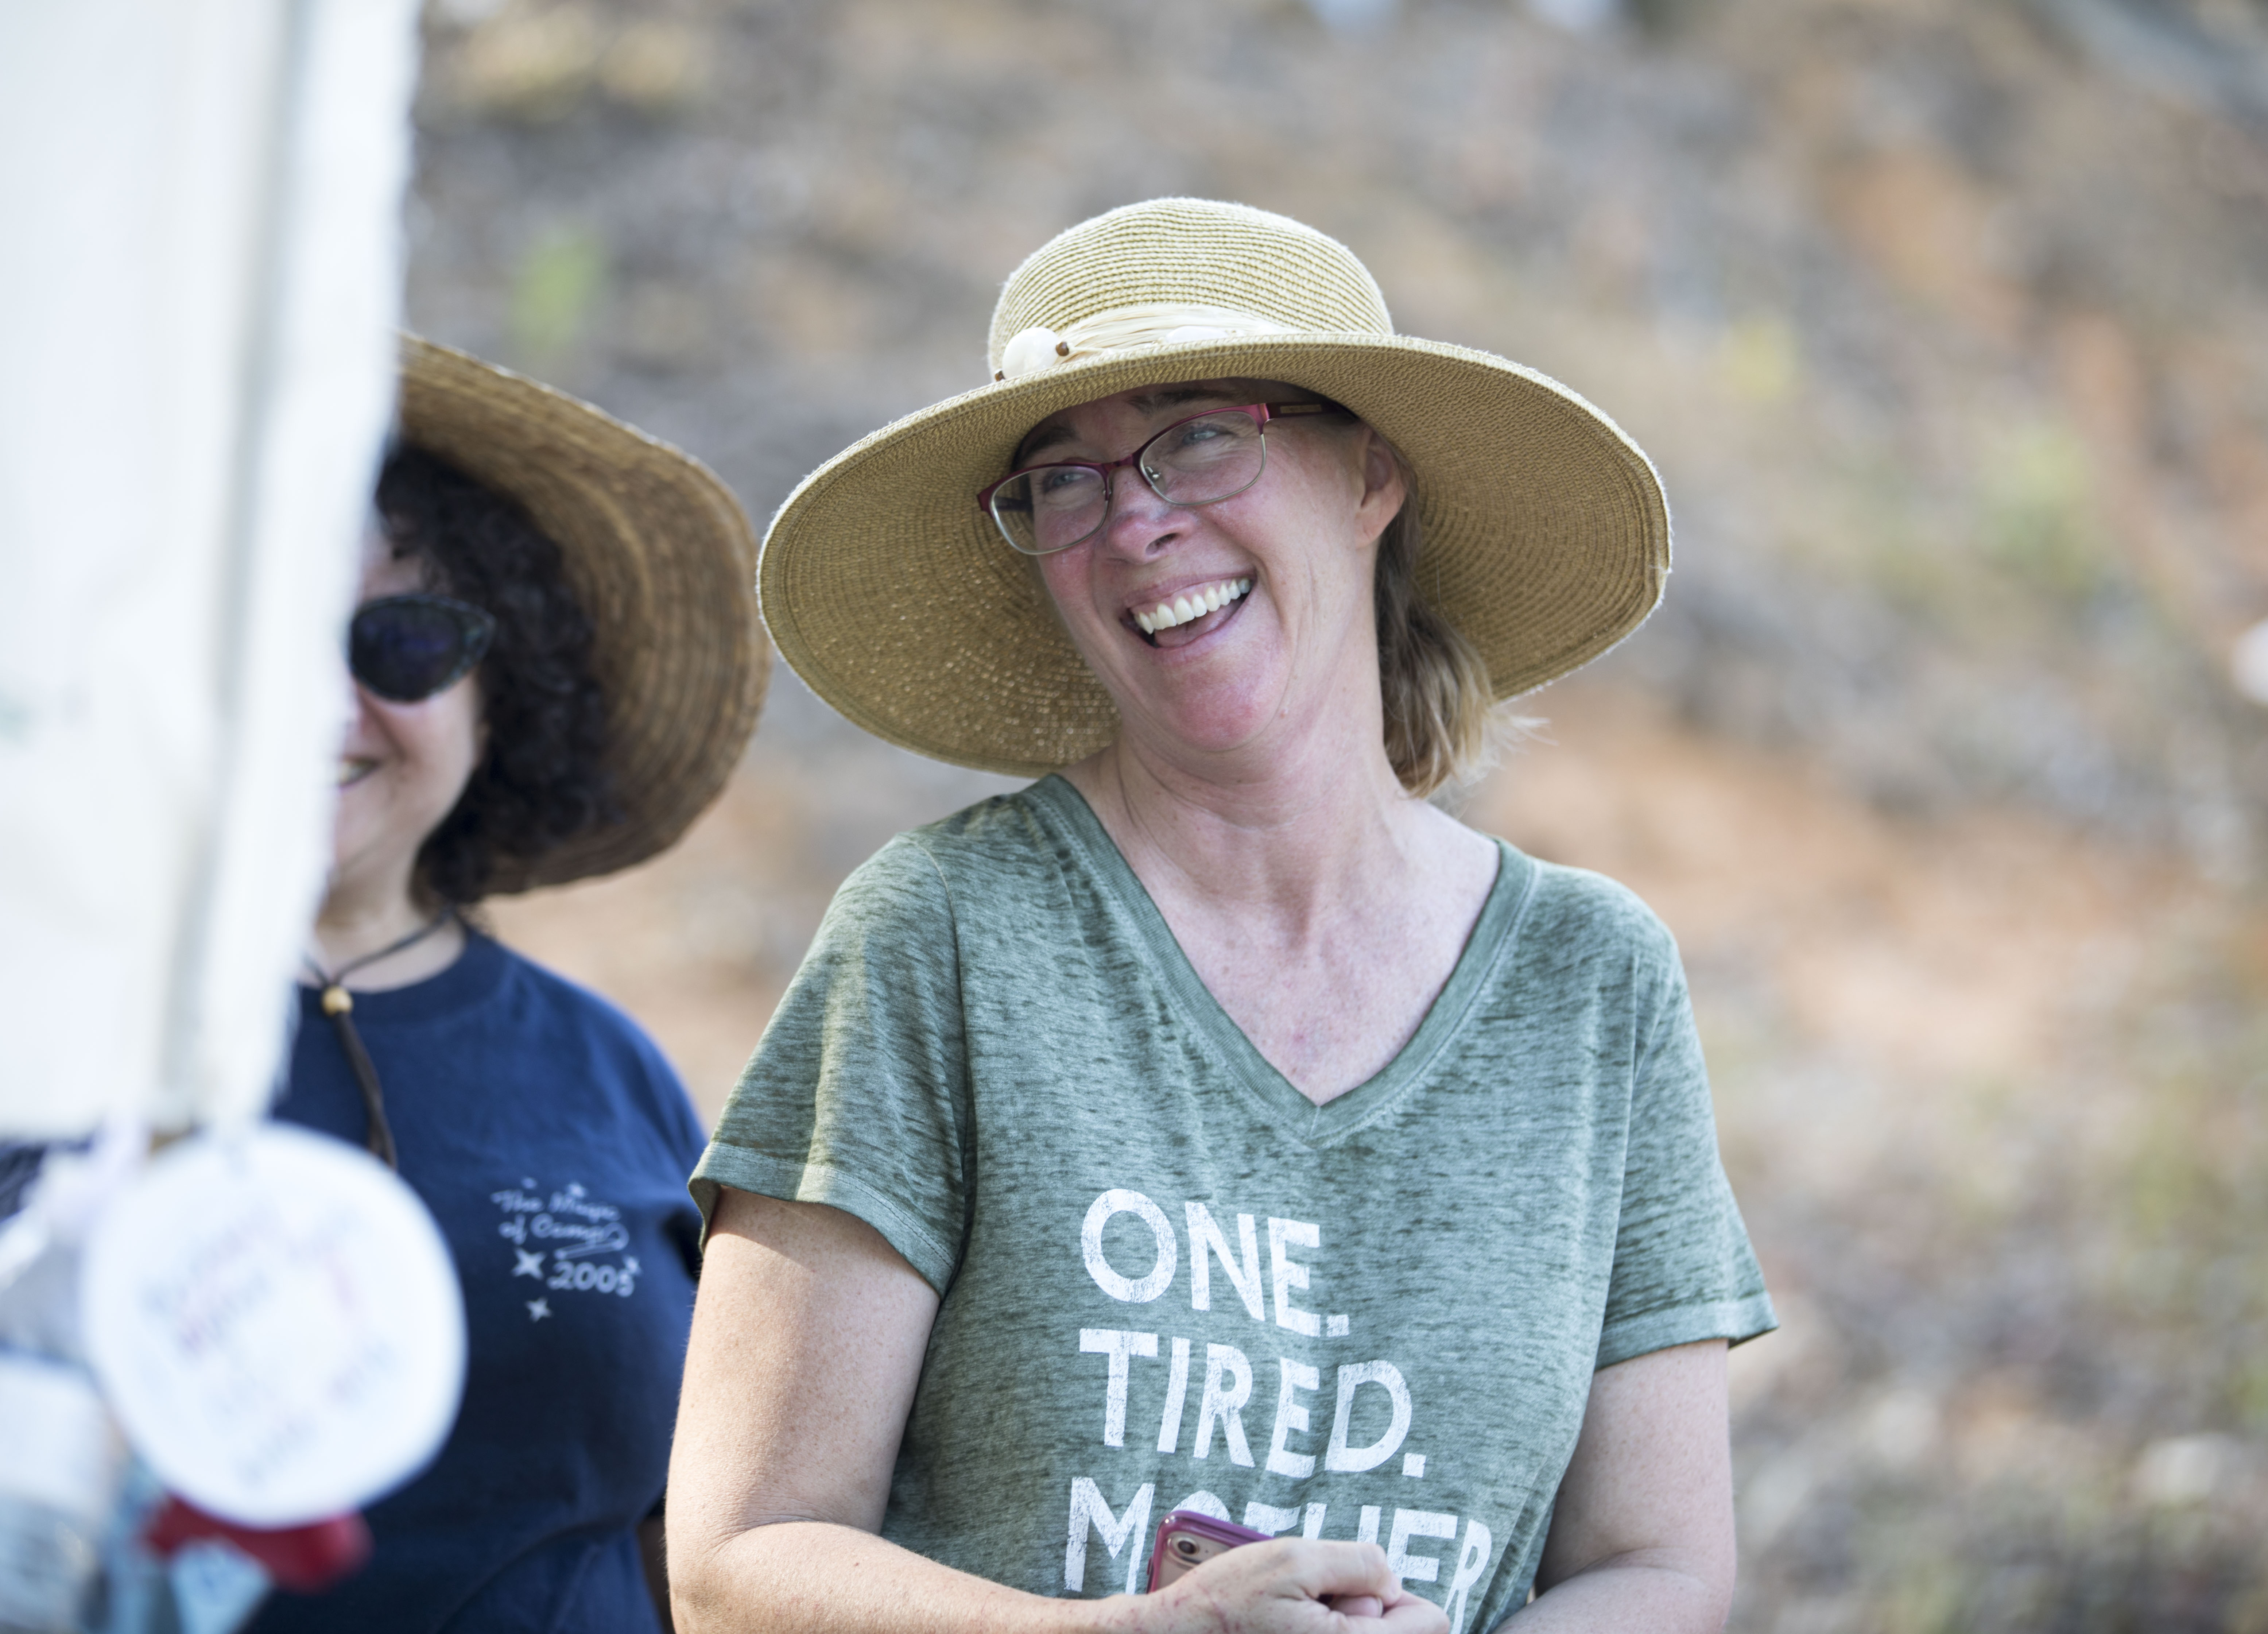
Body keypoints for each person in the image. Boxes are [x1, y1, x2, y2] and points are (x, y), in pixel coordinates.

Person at [669, 199, 1776, 1634]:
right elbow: (735, 1566)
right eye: (1063, 482)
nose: (1136, 520)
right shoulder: (942, 940)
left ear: (1370, 474)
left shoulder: (1591, 983)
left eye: (1197, 437)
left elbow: (1662, 1565)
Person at [254, 336, 764, 1634]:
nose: (326, 704)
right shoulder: (57, 1039)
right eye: (267, 627)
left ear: (502, 694)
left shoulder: (611, 1070)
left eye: (402, 640)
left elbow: (701, 1539)